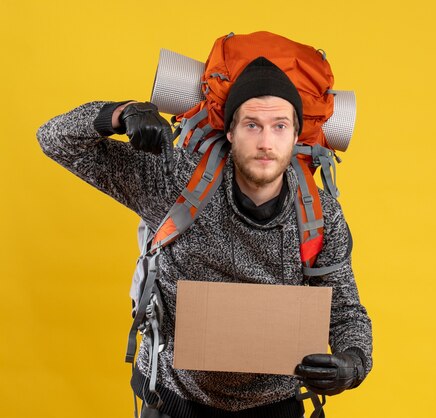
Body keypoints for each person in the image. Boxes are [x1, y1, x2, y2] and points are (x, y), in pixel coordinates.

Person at [37, 56, 372, 418]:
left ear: (295, 136)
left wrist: (353, 363)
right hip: (174, 399)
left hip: (274, 406)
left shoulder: (319, 215)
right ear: (230, 131)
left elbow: (345, 310)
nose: (265, 142)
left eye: (279, 126)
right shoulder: (175, 181)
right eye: (252, 125)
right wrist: (121, 113)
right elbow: (55, 140)